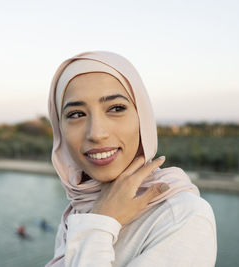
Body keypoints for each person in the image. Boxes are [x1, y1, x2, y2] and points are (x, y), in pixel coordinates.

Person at [45, 51, 217, 266]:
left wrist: (99, 224)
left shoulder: (181, 215)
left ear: (142, 117)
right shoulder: (79, 209)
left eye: (116, 108)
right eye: (76, 114)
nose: (96, 133)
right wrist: (99, 218)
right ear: (59, 129)